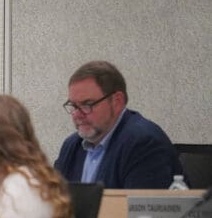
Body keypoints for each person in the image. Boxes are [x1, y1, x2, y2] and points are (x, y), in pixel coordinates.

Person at [54, 60, 184, 189]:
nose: (77, 114)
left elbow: (137, 208)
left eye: (87, 104)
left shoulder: (143, 143)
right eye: (74, 106)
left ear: (117, 101)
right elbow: (52, 200)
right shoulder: (71, 146)